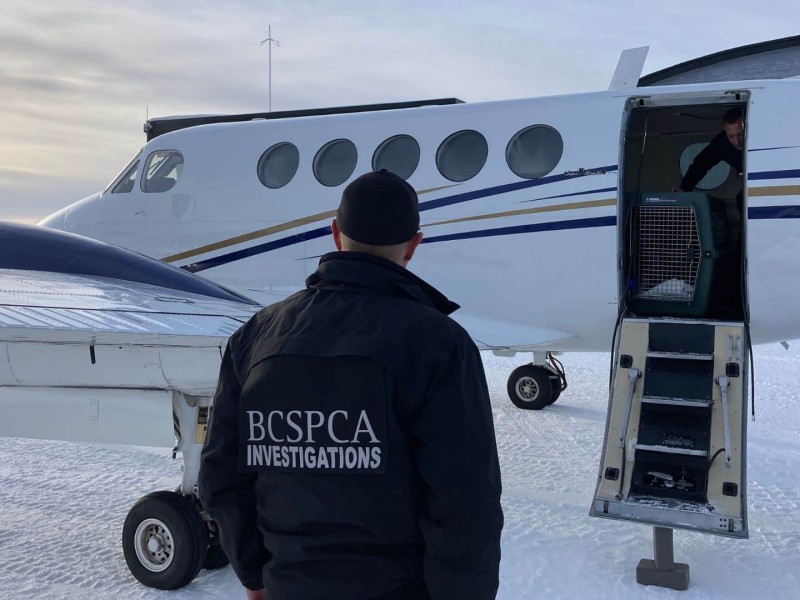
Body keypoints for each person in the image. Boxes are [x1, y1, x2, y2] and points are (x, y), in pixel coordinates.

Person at [198, 169, 504, 600]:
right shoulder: (439, 344)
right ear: (413, 246)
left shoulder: (257, 335)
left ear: (335, 233)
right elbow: (465, 502)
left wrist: (253, 573)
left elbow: (221, 473)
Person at [679, 106, 744, 192]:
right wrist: (684, 189)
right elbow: (700, 165)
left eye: (740, 135)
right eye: (731, 136)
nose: (736, 141)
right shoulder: (722, 143)